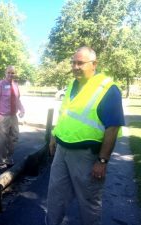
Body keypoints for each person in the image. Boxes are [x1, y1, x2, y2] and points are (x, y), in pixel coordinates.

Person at [46, 46, 125, 225]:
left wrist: (102, 161)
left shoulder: (107, 89)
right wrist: (53, 136)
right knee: (55, 195)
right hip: (62, 151)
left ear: (94, 64)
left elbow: (112, 128)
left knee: (88, 201)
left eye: (80, 63)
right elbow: (64, 114)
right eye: (73, 62)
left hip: (87, 156)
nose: (75, 67)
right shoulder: (72, 85)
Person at [0, 65, 25, 170]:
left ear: (15, 74)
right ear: (5, 73)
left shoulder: (15, 85)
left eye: (13, 73)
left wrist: (22, 109)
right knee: (2, 140)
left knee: (14, 138)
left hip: (13, 116)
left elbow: (17, 100)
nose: (11, 74)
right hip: (3, 117)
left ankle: (9, 158)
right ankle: (1, 162)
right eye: (9, 72)